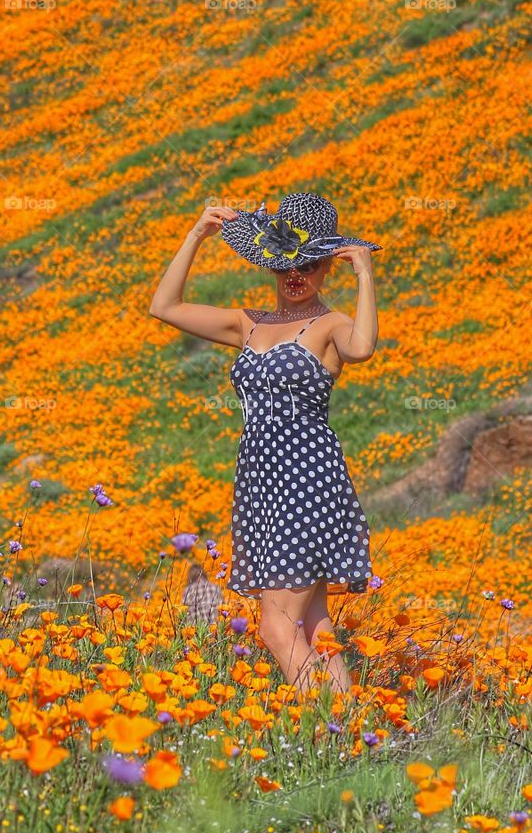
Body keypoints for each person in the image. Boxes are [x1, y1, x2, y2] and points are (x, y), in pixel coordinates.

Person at [149, 192, 382, 696]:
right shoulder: (246, 323)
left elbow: (362, 348)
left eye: (312, 264)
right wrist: (197, 235)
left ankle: (331, 731)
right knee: (316, 630)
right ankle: (361, 736)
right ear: (270, 265)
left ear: (328, 268)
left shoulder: (330, 325)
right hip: (260, 487)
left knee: (276, 630)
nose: (296, 276)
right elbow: (163, 306)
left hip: (308, 483)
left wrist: (364, 274)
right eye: (284, 266)